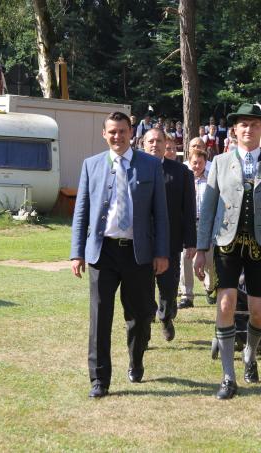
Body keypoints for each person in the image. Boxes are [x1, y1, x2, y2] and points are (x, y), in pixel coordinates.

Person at [194, 103, 261, 400]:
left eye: (254, 124)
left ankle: (249, 352)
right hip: (227, 241)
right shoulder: (220, 162)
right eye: (242, 125)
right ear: (234, 130)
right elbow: (208, 208)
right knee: (225, 304)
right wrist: (201, 248)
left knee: (260, 313)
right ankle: (228, 376)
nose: (248, 129)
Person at [70, 111, 170, 398]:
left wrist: (162, 252)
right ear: (104, 134)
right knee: (99, 317)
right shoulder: (91, 165)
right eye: (112, 132)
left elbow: (160, 215)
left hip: (138, 254)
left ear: (131, 134)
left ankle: (136, 359)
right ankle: (99, 380)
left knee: (139, 317)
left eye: (122, 131)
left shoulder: (150, 166)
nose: (117, 137)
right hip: (102, 252)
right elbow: (81, 213)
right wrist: (77, 253)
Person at [143, 128, 196, 338]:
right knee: (142, 290)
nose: (154, 145)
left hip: (170, 242)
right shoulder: (134, 169)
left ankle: (166, 316)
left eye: (159, 141)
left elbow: (189, 209)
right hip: (141, 242)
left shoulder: (182, 173)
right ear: (143, 144)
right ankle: (144, 328)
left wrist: (191, 241)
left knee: (168, 289)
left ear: (166, 144)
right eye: (150, 141)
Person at [179, 148, 217, 306]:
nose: (197, 166)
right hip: (188, 223)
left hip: (206, 223)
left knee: (210, 259)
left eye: (201, 163)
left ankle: (210, 287)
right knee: (185, 259)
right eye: (194, 162)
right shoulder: (183, 179)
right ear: (189, 161)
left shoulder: (211, 180)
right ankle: (187, 295)